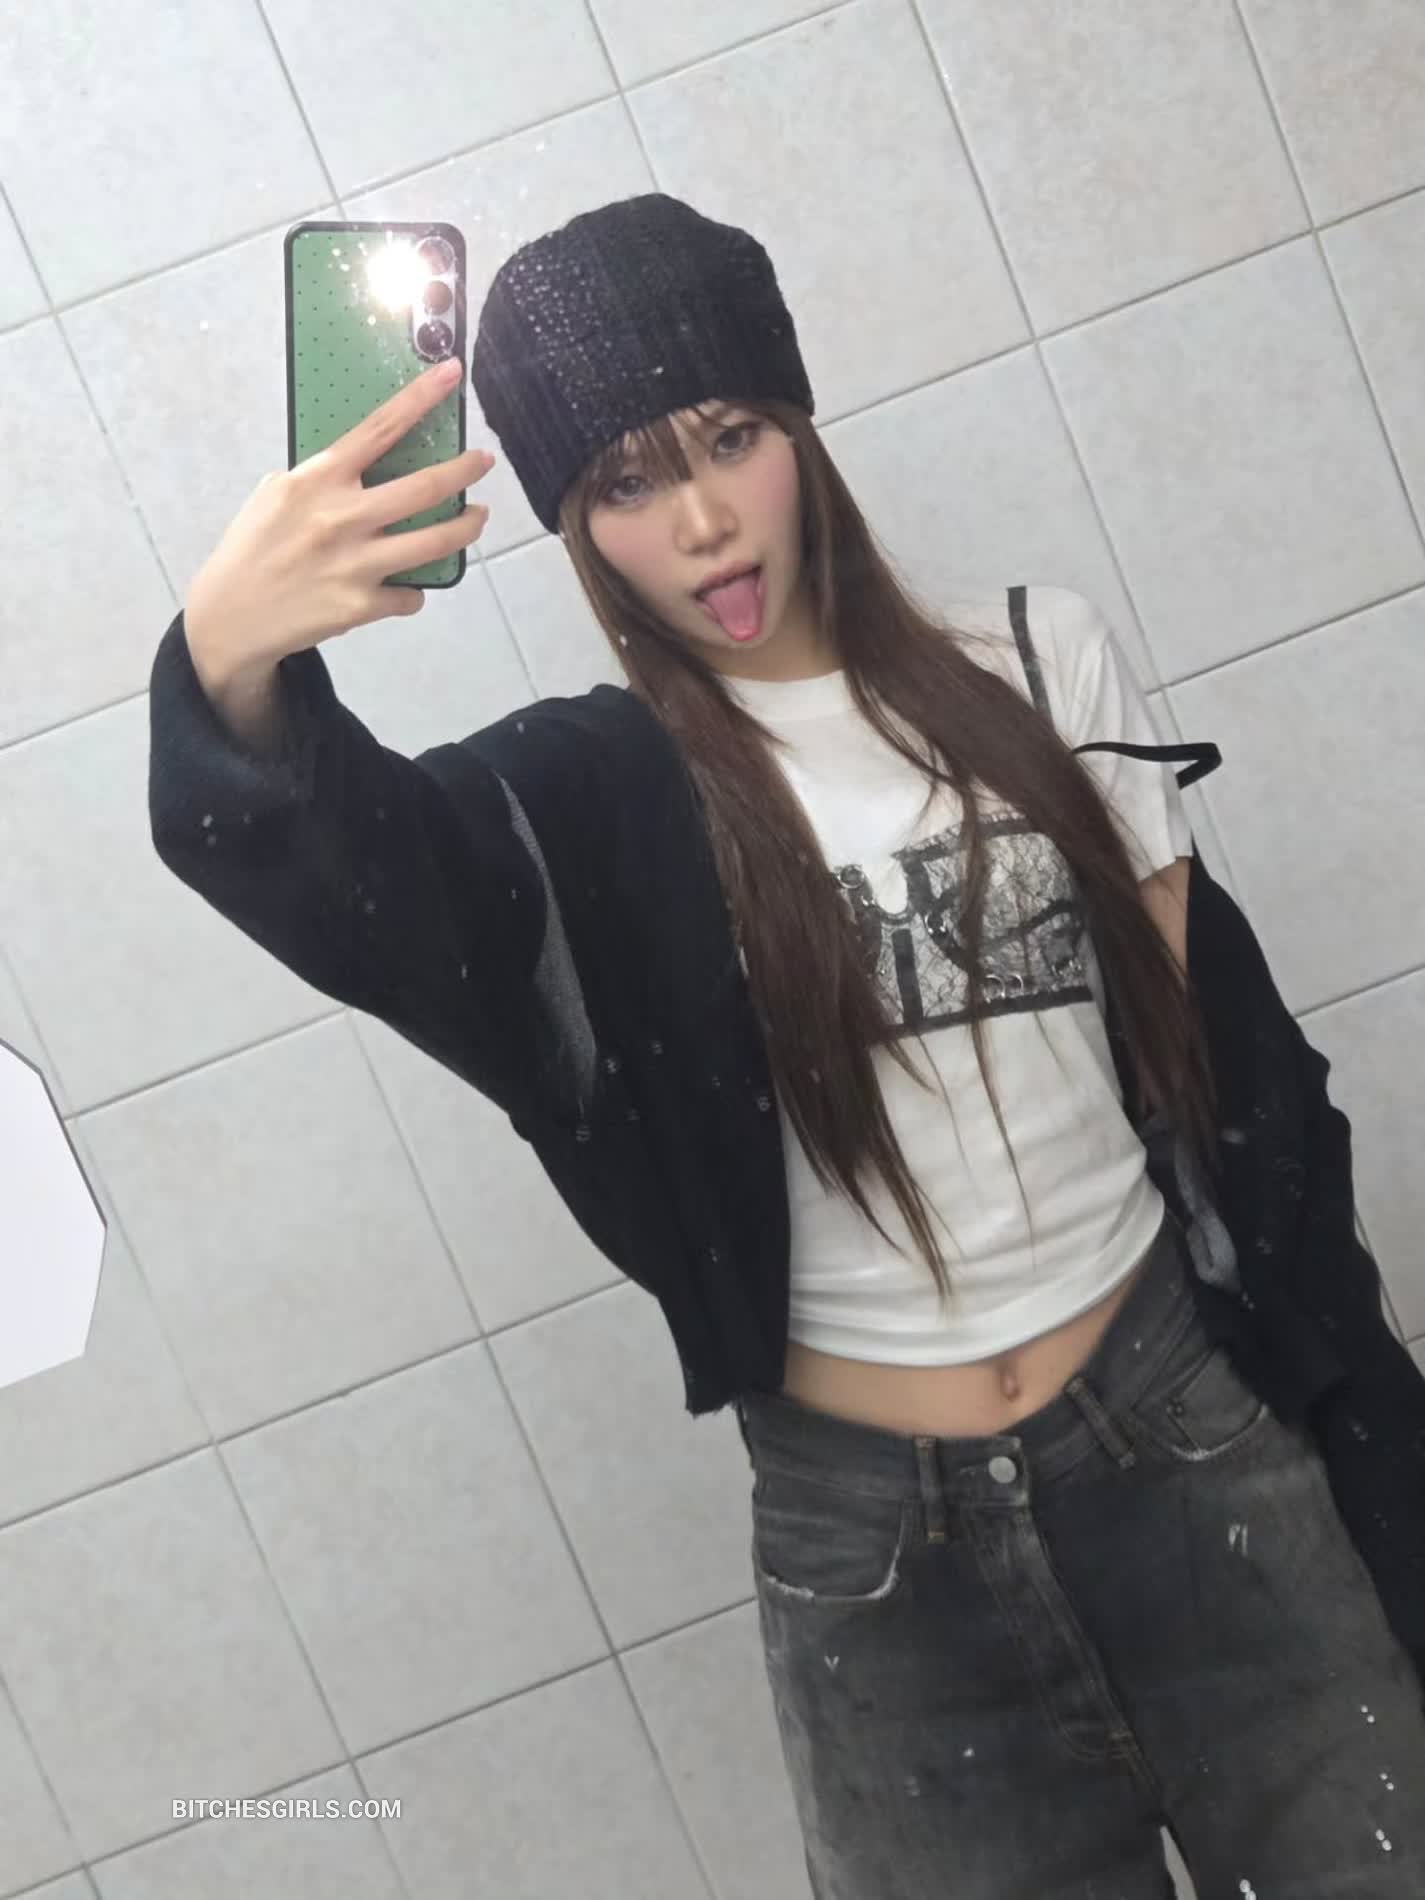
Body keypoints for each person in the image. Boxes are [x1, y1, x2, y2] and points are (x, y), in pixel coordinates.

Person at [149, 194, 1425, 1895]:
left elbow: (1237, 1091)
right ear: (576, 528)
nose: (695, 520)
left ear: (797, 425)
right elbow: (354, 883)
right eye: (622, 484)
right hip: (877, 1553)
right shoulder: (576, 804)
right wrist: (230, 657)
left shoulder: (1038, 657)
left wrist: (1356, 1414)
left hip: (1189, 1440)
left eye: (729, 439)